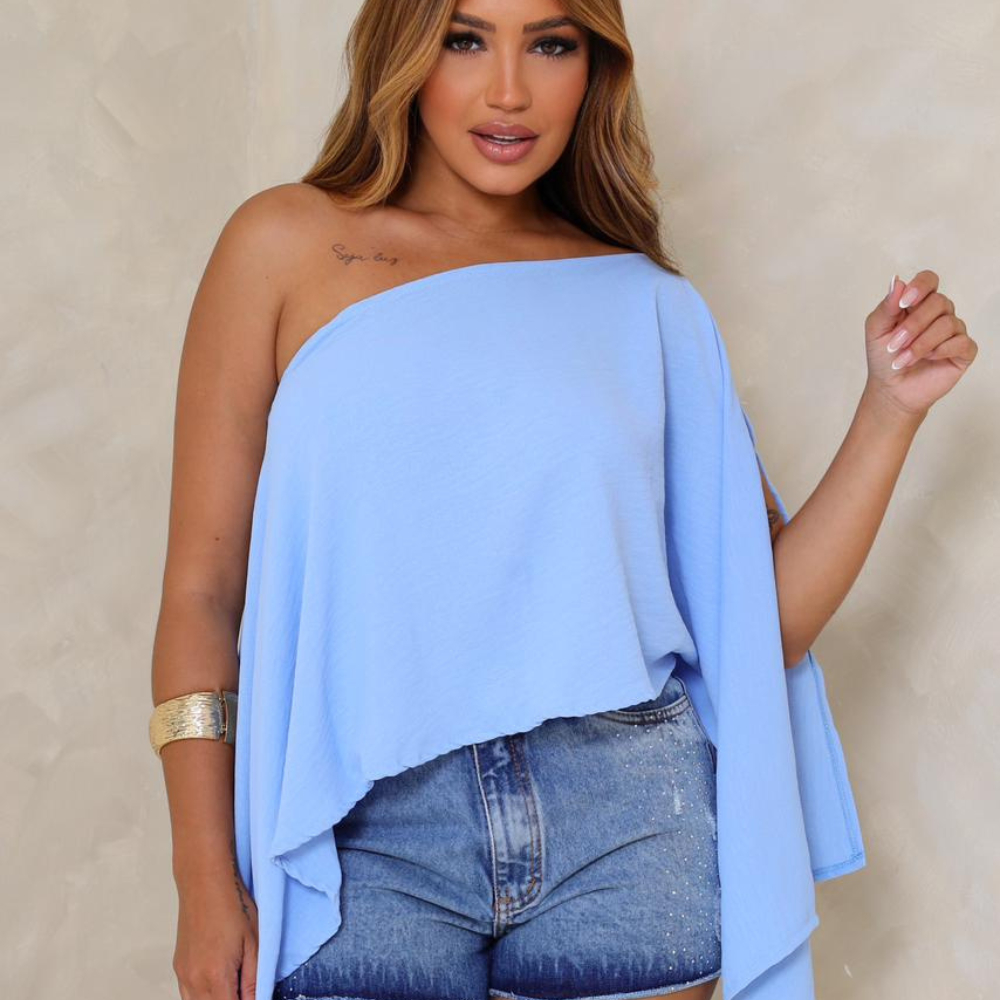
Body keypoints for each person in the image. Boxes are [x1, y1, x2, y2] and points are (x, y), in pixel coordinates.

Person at [149, 2, 977, 1000]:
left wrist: (889, 411)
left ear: (594, 67)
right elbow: (202, 595)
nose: (509, 90)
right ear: (404, 50)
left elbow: (757, 629)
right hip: (363, 823)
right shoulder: (284, 246)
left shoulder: (646, 301)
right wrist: (203, 879)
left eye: (550, 44)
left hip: (628, 818)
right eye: (465, 39)